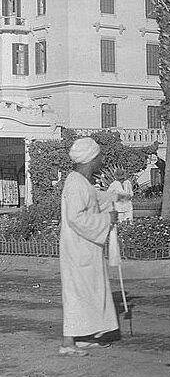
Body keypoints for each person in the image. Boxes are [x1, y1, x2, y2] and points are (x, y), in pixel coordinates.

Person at [58, 137, 127, 356]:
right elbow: (75, 218)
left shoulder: (81, 182)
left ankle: (84, 335)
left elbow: (96, 198)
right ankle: (68, 343)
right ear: (91, 159)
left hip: (86, 248)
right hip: (78, 249)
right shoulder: (75, 183)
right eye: (99, 156)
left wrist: (118, 197)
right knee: (77, 292)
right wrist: (107, 219)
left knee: (87, 291)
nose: (102, 160)